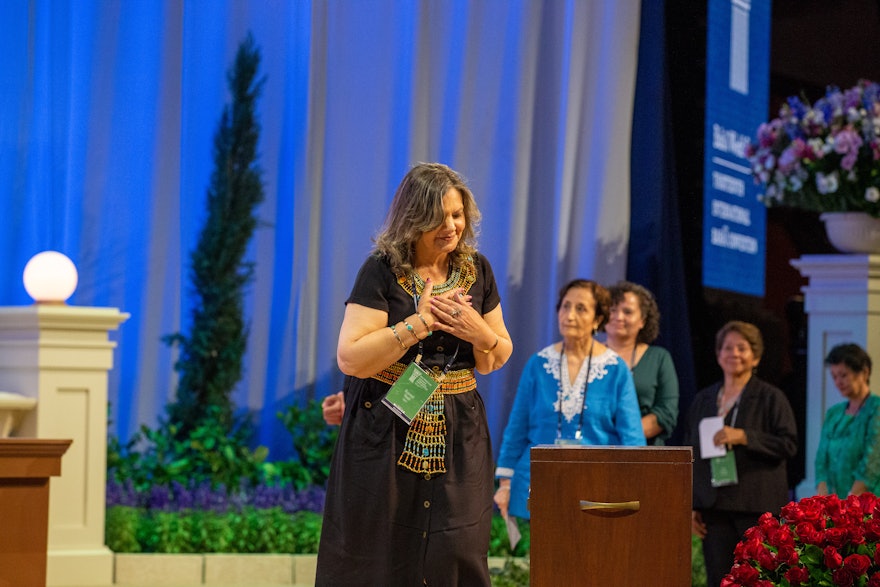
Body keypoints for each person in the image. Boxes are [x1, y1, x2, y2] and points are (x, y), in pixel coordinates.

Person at [315, 162, 513, 586]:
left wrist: (479, 333)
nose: (451, 226)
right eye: (438, 217)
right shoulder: (382, 270)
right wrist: (418, 324)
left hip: (461, 431)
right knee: (379, 548)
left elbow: (496, 356)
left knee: (457, 547)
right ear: (412, 219)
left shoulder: (478, 271)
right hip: (387, 426)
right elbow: (351, 358)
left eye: (457, 215)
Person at [493, 279, 646, 522]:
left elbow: (632, 439)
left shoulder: (616, 369)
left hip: (597, 492)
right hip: (537, 487)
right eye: (565, 306)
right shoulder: (538, 364)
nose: (569, 315)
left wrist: (633, 487)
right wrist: (504, 484)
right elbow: (516, 430)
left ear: (598, 319)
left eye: (581, 308)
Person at [685, 321, 797, 587]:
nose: (733, 353)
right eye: (727, 347)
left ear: (755, 356)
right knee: (719, 579)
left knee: (757, 578)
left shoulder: (772, 398)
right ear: (717, 354)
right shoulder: (704, 399)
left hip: (755, 506)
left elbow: (788, 444)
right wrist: (692, 504)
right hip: (714, 507)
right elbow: (692, 453)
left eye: (742, 348)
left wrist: (745, 436)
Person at [605, 280, 679, 445]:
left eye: (627, 312)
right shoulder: (588, 358)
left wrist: (624, 437)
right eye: (613, 310)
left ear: (642, 321)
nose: (618, 317)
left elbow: (666, 413)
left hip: (642, 455)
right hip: (594, 455)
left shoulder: (659, 358)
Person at [815, 343, 880, 497]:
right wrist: (824, 499)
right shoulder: (834, 413)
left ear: (864, 372)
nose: (838, 382)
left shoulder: (876, 409)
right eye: (834, 376)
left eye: (843, 375)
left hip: (867, 504)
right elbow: (821, 461)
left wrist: (850, 503)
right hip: (834, 502)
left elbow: (873, 462)